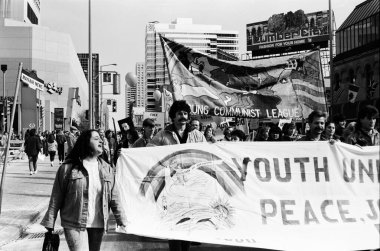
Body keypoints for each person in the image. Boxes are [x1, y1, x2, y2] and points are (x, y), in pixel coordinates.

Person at [41, 130, 127, 251]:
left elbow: (114, 196)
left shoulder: (107, 168)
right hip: (74, 223)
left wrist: (121, 219)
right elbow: (56, 197)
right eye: (96, 138)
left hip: (98, 224)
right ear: (86, 142)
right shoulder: (67, 168)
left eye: (101, 138)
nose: (101, 141)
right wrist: (50, 223)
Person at [148, 100, 206, 251]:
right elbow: (148, 153)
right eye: (179, 113)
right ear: (173, 116)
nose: (183, 116)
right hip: (172, 187)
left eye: (185, 113)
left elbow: (207, 155)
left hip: (192, 186)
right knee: (173, 224)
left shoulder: (197, 135)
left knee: (188, 224)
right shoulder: (162, 135)